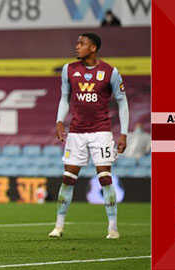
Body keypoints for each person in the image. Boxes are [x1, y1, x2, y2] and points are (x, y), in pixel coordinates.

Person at [48, 33, 129, 239]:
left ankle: (112, 227)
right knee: (68, 178)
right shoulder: (69, 70)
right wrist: (59, 121)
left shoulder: (110, 72)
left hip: (101, 131)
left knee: (105, 177)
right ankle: (58, 226)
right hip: (76, 132)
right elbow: (64, 98)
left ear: (93, 48)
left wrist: (124, 133)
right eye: (77, 43)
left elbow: (123, 102)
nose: (77, 47)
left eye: (82, 44)